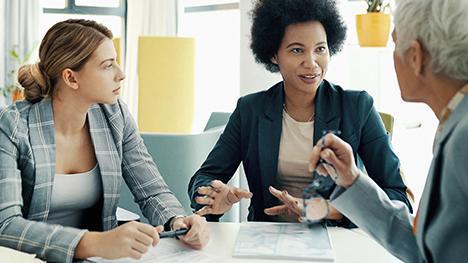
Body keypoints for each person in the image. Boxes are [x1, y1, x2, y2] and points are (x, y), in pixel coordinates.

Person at [0, 19, 209, 263]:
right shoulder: (13, 126)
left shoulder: (115, 115)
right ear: (71, 78)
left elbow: (151, 191)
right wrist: (95, 243)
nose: (121, 74)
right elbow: (6, 224)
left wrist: (177, 220)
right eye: (108, 65)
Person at [188, 0, 412, 226]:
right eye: (297, 50)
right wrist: (214, 196)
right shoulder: (250, 110)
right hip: (267, 240)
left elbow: (398, 198)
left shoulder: (358, 107)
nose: (312, 63)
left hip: (337, 240)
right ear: (274, 55)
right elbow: (203, 179)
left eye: (320, 49)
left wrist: (329, 210)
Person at [309, 0, 468, 261]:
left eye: (394, 43)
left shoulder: (464, 137)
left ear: (416, 56)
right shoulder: (455, 124)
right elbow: (425, 247)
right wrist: (351, 180)